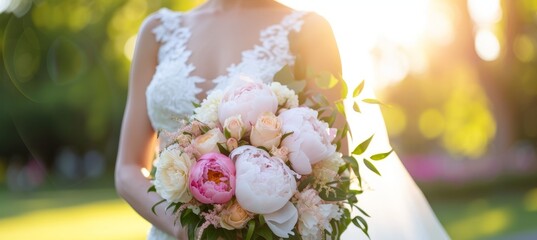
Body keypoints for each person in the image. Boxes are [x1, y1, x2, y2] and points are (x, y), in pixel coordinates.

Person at [115, 0, 448, 239]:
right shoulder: (157, 32)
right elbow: (128, 168)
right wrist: (183, 227)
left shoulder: (308, 29)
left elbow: (336, 167)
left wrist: (254, 226)